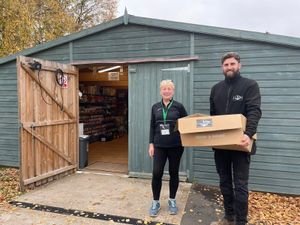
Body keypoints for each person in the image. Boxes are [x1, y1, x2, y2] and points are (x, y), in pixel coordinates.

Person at [209, 52, 262, 225]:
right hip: (221, 147)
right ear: (222, 68)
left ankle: (241, 221)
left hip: (241, 144)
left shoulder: (250, 85)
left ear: (240, 65)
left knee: (240, 186)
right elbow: (213, 117)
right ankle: (229, 217)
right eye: (226, 65)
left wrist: (248, 134)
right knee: (224, 182)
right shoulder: (216, 89)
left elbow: (254, 111)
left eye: (232, 64)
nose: (229, 67)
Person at [148, 79, 187, 217]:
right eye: (164, 89)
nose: (166, 91)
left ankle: (172, 200)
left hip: (176, 146)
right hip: (159, 146)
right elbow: (152, 126)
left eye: (169, 89)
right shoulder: (155, 107)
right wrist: (151, 144)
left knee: (173, 172)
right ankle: (156, 202)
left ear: (173, 91)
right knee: (157, 173)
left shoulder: (179, 107)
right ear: (160, 91)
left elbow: (186, 124)